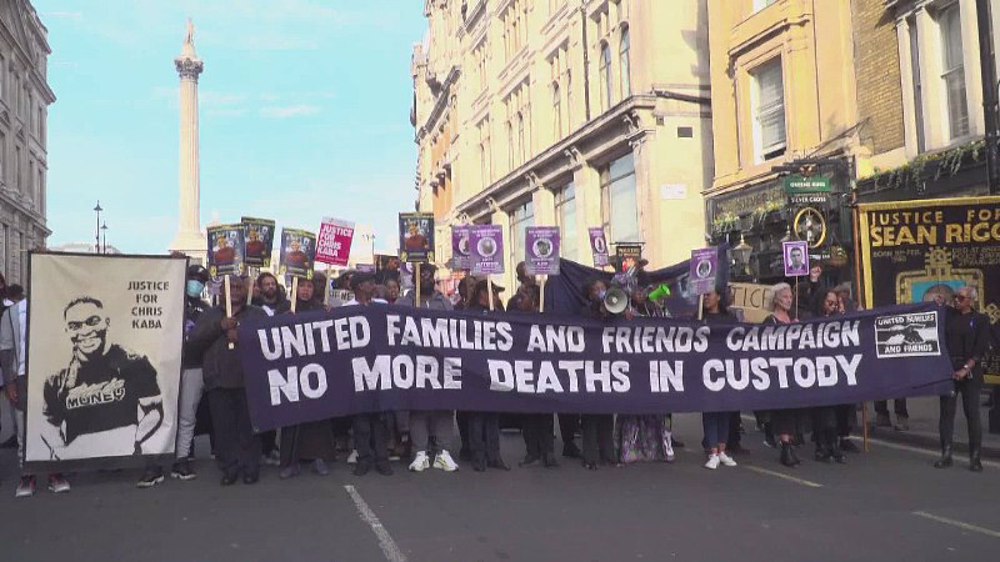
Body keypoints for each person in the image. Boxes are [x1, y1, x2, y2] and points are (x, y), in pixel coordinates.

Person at [40, 297, 166, 459]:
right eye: (75, 326)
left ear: (106, 322)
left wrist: (137, 443)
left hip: (124, 461)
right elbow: (48, 421)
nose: (85, 331)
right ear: (67, 331)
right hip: (82, 466)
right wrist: (60, 449)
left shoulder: (135, 363)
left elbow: (154, 410)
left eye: (92, 321)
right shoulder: (56, 378)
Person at [188, 275, 268, 485]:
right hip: (218, 380)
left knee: (249, 427)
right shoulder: (209, 314)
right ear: (220, 292)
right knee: (224, 430)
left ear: (245, 290)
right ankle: (229, 468)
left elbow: (269, 340)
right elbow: (195, 342)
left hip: (248, 380)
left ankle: (250, 467)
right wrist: (220, 327)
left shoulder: (256, 314)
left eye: (238, 287)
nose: (234, 290)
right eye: (229, 287)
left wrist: (244, 336)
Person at [138, 265, 213, 487]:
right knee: (161, 414)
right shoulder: (168, 300)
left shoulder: (206, 309)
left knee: (187, 416)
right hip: (167, 366)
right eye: (193, 278)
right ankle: (154, 462)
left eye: (201, 280)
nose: (196, 283)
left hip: (193, 366)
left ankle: (181, 459)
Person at [0, 284, 72, 497]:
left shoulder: (52, 310)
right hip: (22, 377)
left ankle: (54, 472)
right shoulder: (12, 313)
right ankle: (27, 474)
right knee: (23, 428)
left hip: (50, 376)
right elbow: (5, 348)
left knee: (53, 423)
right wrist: (10, 383)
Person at [397, 264, 460, 473]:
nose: (424, 277)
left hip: (441, 363)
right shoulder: (405, 301)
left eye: (428, 274)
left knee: (444, 407)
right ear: (413, 277)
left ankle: (443, 452)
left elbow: (454, 329)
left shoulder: (444, 301)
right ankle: (420, 453)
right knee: (418, 408)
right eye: (420, 274)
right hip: (415, 362)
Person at [278, 277, 337, 479]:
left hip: (315, 369)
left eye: (309, 286)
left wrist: (331, 317)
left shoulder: (321, 309)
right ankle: (290, 462)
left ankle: (319, 458)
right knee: (291, 417)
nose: (305, 290)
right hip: (291, 371)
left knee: (318, 415)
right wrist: (283, 320)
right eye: (301, 286)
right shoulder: (285, 308)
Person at [343, 272, 394, 477]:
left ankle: (382, 459)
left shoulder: (381, 305)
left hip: (379, 367)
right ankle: (364, 458)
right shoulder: (345, 310)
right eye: (369, 283)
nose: (373, 286)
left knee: (380, 418)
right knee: (361, 419)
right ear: (358, 287)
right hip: (356, 369)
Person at [936, 286, 990, 472]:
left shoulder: (981, 320)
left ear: (970, 300)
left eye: (960, 298)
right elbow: (936, 309)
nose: (957, 301)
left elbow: (980, 348)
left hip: (970, 371)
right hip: (949, 369)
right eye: (955, 297)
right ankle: (946, 453)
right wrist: (941, 301)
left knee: (972, 414)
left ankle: (975, 457)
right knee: (946, 414)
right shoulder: (950, 315)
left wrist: (966, 368)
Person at [463, 279, 511, 472]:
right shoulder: (469, 314)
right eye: (494, 292)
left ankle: (494, 455)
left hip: (495, 370)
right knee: (476, 416)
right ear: (482, 293)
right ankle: (478, 455)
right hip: (475, 370)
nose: (497, 296)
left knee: (492, 417)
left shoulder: (500, 315)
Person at [763, 283, 809, 468]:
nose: (789, 300)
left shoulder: (792, 319)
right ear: (776, 299)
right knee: (783, 410)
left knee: (792, 410)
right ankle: (785, 446)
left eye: (790, 297)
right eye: (785, 297)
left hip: (793, 371)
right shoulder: (770, 321)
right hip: (778, 371)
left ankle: (790, 444)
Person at [579, 278, 616, 470]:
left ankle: (608, 454)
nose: (601, 291)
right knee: (590, 416)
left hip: (608, 367)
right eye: (596, 289)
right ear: (590, 294)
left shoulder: (614, 307)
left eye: (603, 288)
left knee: (606, 415)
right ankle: (590, 457)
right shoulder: (585, 311)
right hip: (590, 367)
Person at [252, 271, 289, 464]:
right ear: (259, 287)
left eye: (273, 283)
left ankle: (273, 446)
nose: (270, 287)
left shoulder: (288, 307)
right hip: (260, 363)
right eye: (266, 284)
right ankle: (261, 446)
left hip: (282, 362)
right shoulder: (253, 308)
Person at [701, 288, 739, 470]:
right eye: (704, 295)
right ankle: (712, 451)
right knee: (710, 411)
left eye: (709, 294)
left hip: (726, 369)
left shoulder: (729, 318)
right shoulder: (699, 317)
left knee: (725, 410)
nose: (706, 298)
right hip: (706, 371)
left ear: (718, 297)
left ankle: (722, 450)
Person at [811, 290, 848, 464]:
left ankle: (833, 444)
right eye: (829, 302)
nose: (832, 306)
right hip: (816, 371)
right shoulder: (814, 317)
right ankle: (821, 445)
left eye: (834, 303)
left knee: (833, 411)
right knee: (821, 411)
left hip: (833, 371)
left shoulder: (838, 319)